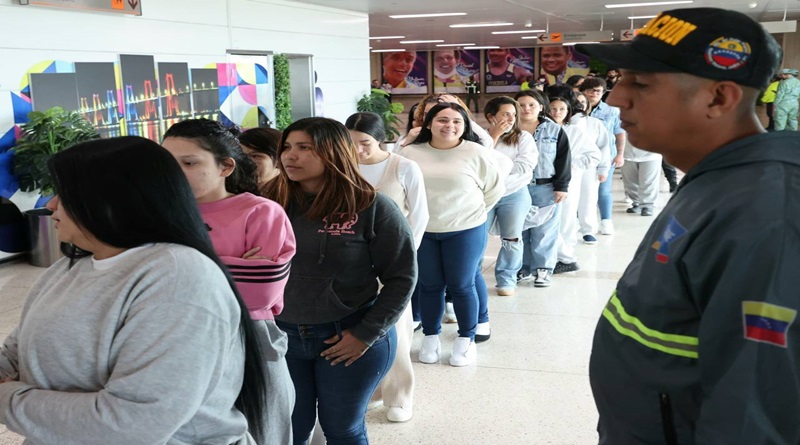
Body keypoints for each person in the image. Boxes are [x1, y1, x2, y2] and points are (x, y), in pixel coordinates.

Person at [576, 7, 800, 443]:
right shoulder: (718, 180)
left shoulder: (766, 215)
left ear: (718, 98)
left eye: (640, 83)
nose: (616, 98)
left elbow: (754, 415)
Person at [0, 136, 267, 444]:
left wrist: (7, 399)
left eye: (65, 194)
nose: (51, 205)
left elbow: (132, 424)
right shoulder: (69, 267)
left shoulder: (178, 277)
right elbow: (18, 350)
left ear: (113, 199)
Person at [265, 117, 416, 444]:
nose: (290, 155)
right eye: (287, 147)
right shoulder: (267, 204)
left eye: (304, 147)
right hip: (280, 337)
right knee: (288, 431)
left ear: (333, 152)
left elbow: (402, 277)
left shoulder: (372, 207)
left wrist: (365, 333)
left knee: (342, 429)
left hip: (347, 337)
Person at [162, 119, 296, 445]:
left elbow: (261, 292)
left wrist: (180, 269)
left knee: (262, 431)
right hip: (177, 341)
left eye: (189, 163)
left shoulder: (261, 212)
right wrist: (233, 265)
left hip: (250, 338)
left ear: (225, 167)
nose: (175, 173)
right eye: (168, 163)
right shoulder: (161, 214)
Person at [401, 102, 504, 367]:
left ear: (465, 126)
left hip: (465, 229)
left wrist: (469, 212)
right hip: (424, 230)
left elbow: (494, 189)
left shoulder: (475, 152)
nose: (450, 126)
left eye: (457, 121)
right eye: (442, 120)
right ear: (429, 124)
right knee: (429, 285)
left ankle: (466, 340)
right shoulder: (410, 152)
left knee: (462, 284)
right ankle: (430, 338)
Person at [345, 112, 429, 423]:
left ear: (380, 140)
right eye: (350, 142)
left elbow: (419, 216)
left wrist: (403, 258)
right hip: (352, 263)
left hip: (393, 263)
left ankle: (400, 396)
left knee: (397, 330)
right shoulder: (342, 166)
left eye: (364, 143)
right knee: (360, 329)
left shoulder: (404, 167)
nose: (357, 150)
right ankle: (373, 391)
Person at [514, 89, 571, 287]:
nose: (526, 109)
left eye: (531, 105)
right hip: (516, 187)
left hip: (545, 187)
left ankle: (543, 269)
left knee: (545, 231)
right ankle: (522, 268)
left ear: (541, 107)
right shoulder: (510, 129)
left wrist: (562, 186)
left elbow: (564, 159)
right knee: (519, 230)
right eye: (521, 105)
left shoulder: (554, 129)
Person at [484, 96, 538, 296]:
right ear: (491, 116)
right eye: (505, 114)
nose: (511, 119)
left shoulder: (523, 137)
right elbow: (476, 162)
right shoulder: (480, 138)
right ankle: (471, 277)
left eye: (513, 115)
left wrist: (495, 166)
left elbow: (525, 165)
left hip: (515, 193)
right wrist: (494, 137)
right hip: (485, 195)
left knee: (512, 238)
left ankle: (506, 279)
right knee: (476, 238)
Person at [579, 77, 626, 236]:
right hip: (581, 157)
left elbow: (619, 133)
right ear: (583, 92)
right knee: (582, 191)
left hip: (606, 157)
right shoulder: (576, 110)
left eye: (598, 91)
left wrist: (620, 154)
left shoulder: (611, 111)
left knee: (603, 190)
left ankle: (606, 220)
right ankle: (581, 221)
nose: (594, 94)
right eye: (590, 91)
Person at [621, 139, 662, 217]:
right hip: (627, 153)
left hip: (651, 154)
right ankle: (636, 203)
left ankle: (647, 206)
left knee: (648, 181)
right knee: (630, 182)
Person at [238, 126, 283, 192]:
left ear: (279, 160)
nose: (245, 162)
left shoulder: (293, 195)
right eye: (241, 155)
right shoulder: (234, 192)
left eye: (255, 156)